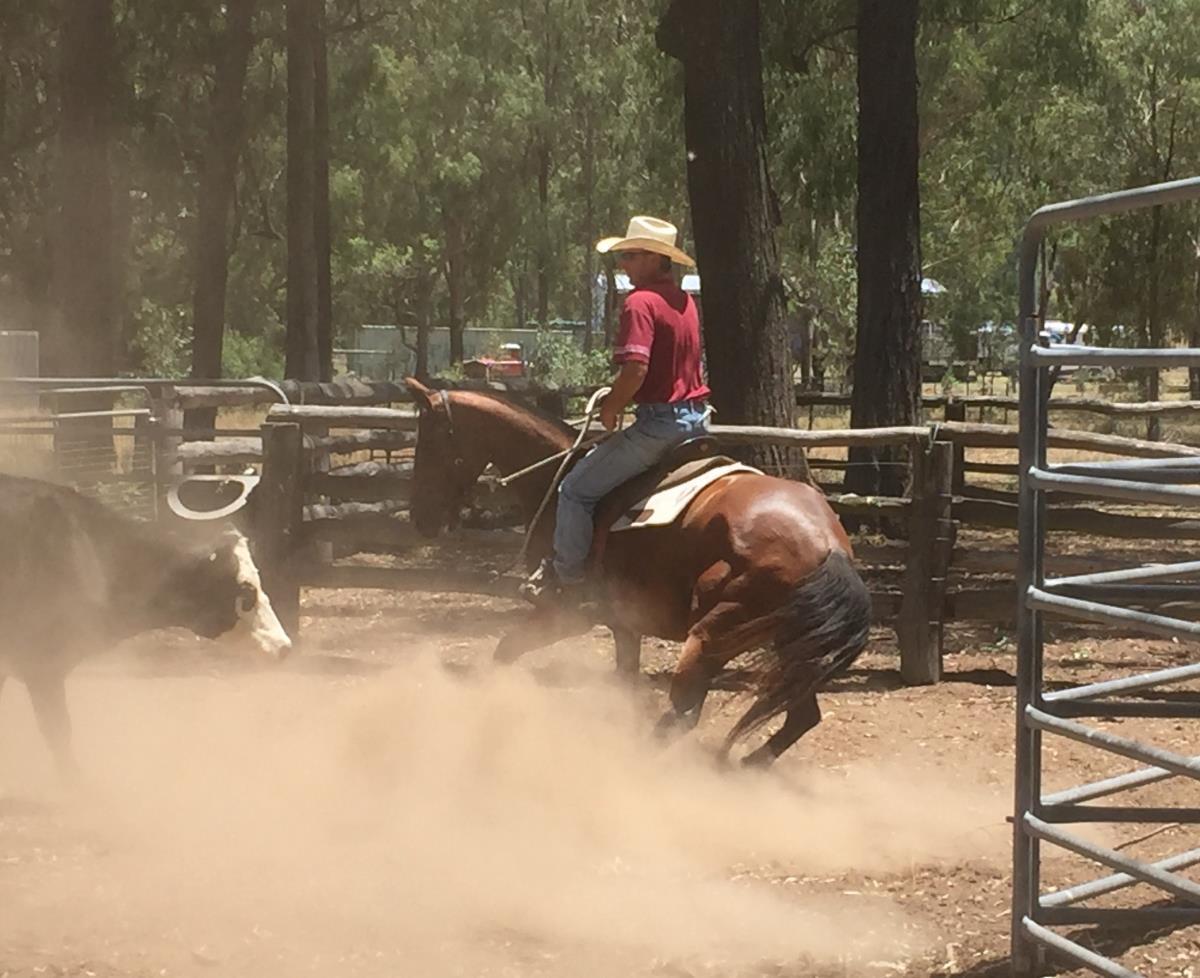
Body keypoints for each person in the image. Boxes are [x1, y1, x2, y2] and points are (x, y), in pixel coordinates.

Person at [522, 215, 711, 609]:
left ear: (655, 259)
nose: (623, 264)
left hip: (659, 426)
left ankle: (567, 582)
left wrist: (611, 407)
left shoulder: (640, 302)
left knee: (575, 490)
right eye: (623, 256)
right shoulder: (685, 302)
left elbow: (636, 369)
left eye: (630, 255)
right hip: (696, 421)